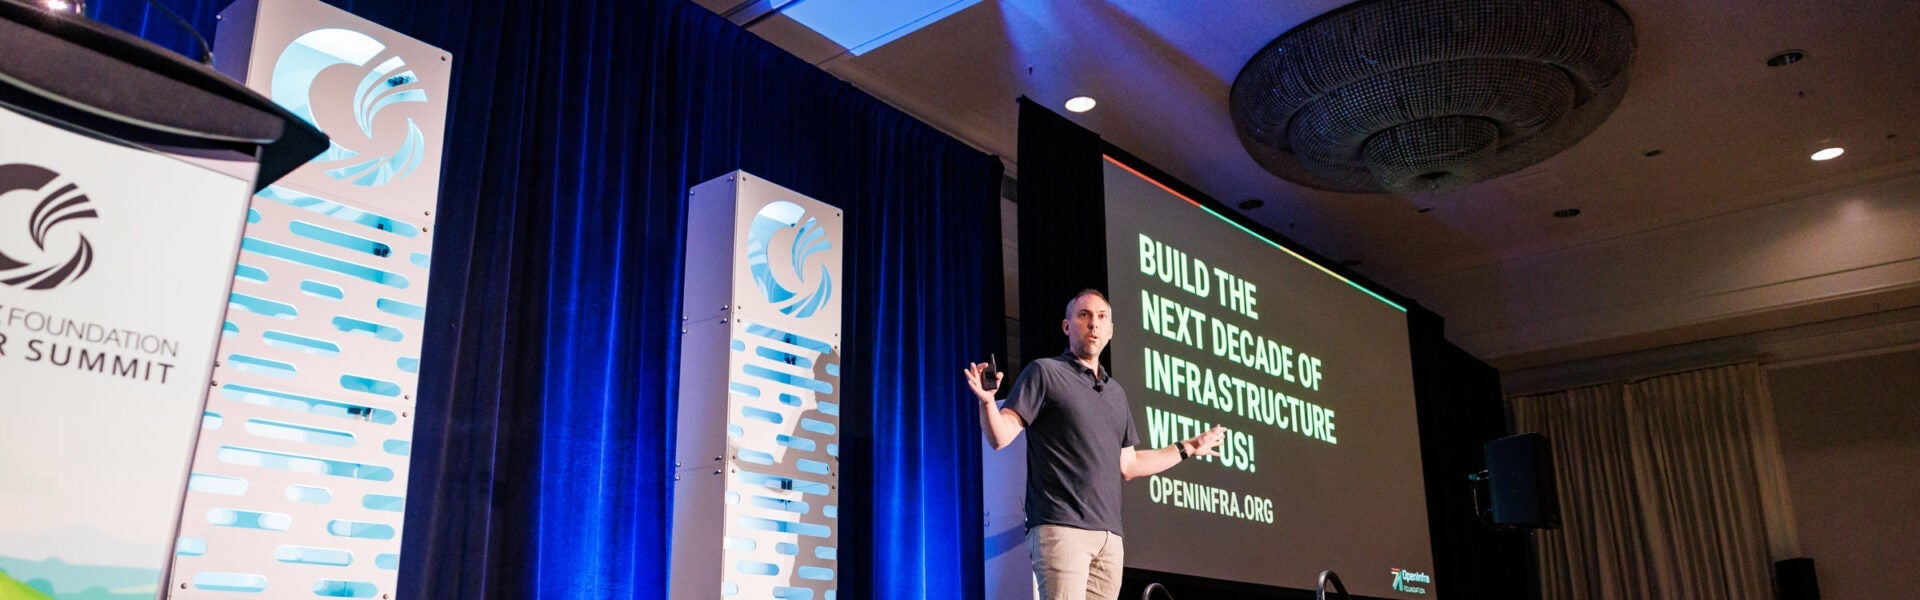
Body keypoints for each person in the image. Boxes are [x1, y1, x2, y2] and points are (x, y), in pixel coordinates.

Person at [966, 289, 1225, 600]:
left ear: (1111, 330)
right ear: (1067, 326)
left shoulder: (1115, 393)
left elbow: (1129, 465)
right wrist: (987, 403)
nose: (1094, 324)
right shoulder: (1045, 373)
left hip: (1109, 539)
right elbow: (1000, 436)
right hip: (1061, 528)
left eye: (1102, 317)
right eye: (1084, 315)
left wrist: (1188, 448)